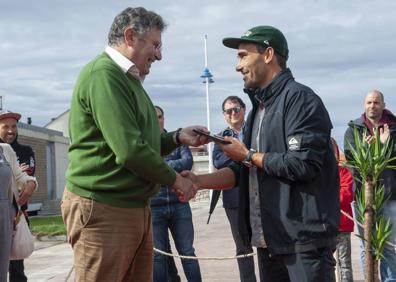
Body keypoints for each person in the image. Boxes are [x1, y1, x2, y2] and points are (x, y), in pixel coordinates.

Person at [182, 26, 340, 282]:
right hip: (269, 242)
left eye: (243, 55)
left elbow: (302, 164)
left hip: (303, 244)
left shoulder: (301, 100)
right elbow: (246, 168)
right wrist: (198, 181)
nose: (237, 65)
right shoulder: (259, 109)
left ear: (268, 54)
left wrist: (247, 154)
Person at [61, 7, 207, 282]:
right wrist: (177, 180)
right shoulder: (103, 75)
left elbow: (142, 143)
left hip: (131, 206)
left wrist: (176, 137)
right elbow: (130, 150)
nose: (159, 55)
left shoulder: (130, 80)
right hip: (104, 207)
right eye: (155, 45)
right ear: (130, 36)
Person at [344, 90, 396, 281]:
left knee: (390, 246)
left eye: (376, 102)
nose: (372, 106)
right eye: (369, 102)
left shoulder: (394, 129)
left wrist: (383, 146)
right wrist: (370, 149)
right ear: (364, 105)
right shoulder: (353, 130)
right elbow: (352, 163)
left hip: (390, 197)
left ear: (383, 104)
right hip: (363, 198)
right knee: (367, 246)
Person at [151, 106, 201, 282]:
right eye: (153, 117)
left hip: (179, 204)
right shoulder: (145, 143)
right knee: (158, 256)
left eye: (160, 116)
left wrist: (160, 167)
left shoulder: (177, 140)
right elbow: (144, 166)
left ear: (164, 118)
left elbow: (187, 162)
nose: (157, 120)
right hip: (154, 207)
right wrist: (171, 166)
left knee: (187, 252)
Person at [211, 96, 256, 282]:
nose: (232, 114)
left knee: (268, 243)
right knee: (243, 247)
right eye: (228, 111)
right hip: (234, 199)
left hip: (259, 195)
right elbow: (218, 161)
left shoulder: (255, 129)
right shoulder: (220, 138)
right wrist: (244, 156)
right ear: (224, 115)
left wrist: (242, 154)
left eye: (236, 109)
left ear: (244, 109)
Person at [0, 111, 37, 282]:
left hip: (14, 217)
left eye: (13, 126)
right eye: (5, 126)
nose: (10, 131)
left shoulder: (13, 151)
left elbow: (25, 177)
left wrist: (30, 183)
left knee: (16, 269)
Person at [331, 138, 354, 282]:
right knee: (326, 263)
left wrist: (327, 197)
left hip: (342, 226)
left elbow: (347, 195)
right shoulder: (316, 174)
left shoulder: (344, 172)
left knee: (344, 263)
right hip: (323, 227)